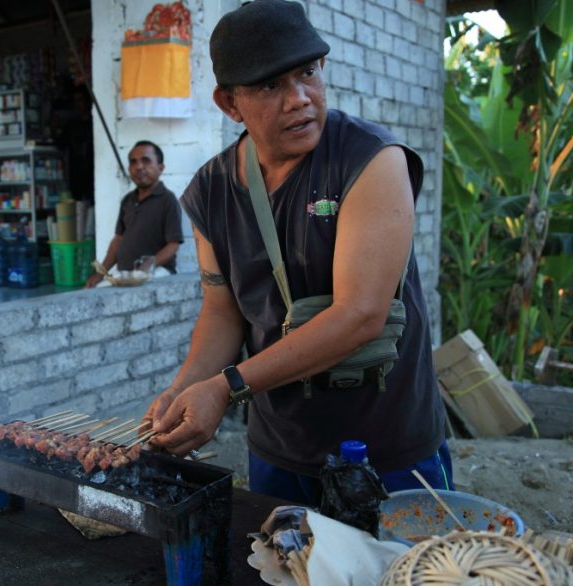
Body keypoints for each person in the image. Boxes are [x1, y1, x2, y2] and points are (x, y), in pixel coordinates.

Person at [145, 0, 452, 506]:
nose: (299, 99)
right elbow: (222, 312)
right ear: (230, 104)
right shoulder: (210, 191)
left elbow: (361, 316)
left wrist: (224, 388)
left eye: (307, 73)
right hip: (279, 449)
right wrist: (185, 390)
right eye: (270, 86)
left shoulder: (372, 161)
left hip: (389, 448)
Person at [85, 140, 184, 288]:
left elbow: (173, 245)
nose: (139, 166)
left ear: (160, 168)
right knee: (93, 291)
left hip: (157, 273)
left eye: (146, 160)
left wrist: (148, 265)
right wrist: (101, 273)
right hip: (127, 274)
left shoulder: (167, 200)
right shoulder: (127, 200)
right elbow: (118, 240)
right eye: (133, 162)